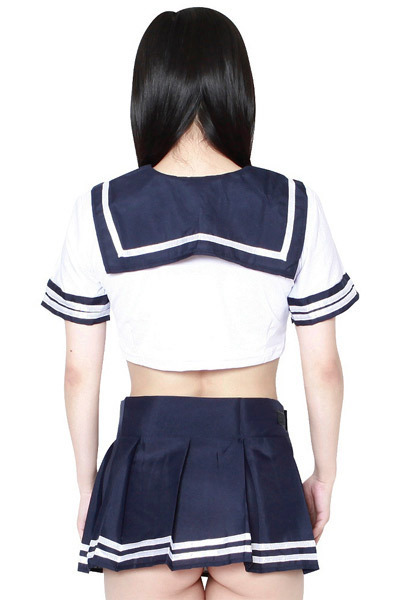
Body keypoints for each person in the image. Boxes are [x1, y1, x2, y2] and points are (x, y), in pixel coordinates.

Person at [41, 7, 360, 600]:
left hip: (143, 469)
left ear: (148, 92)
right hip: (259, 468)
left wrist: (88, 486)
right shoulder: (293, 206)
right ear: (237, 89)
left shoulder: (101, 209)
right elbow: (323, 367)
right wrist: (325, 473)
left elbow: (78, 372)